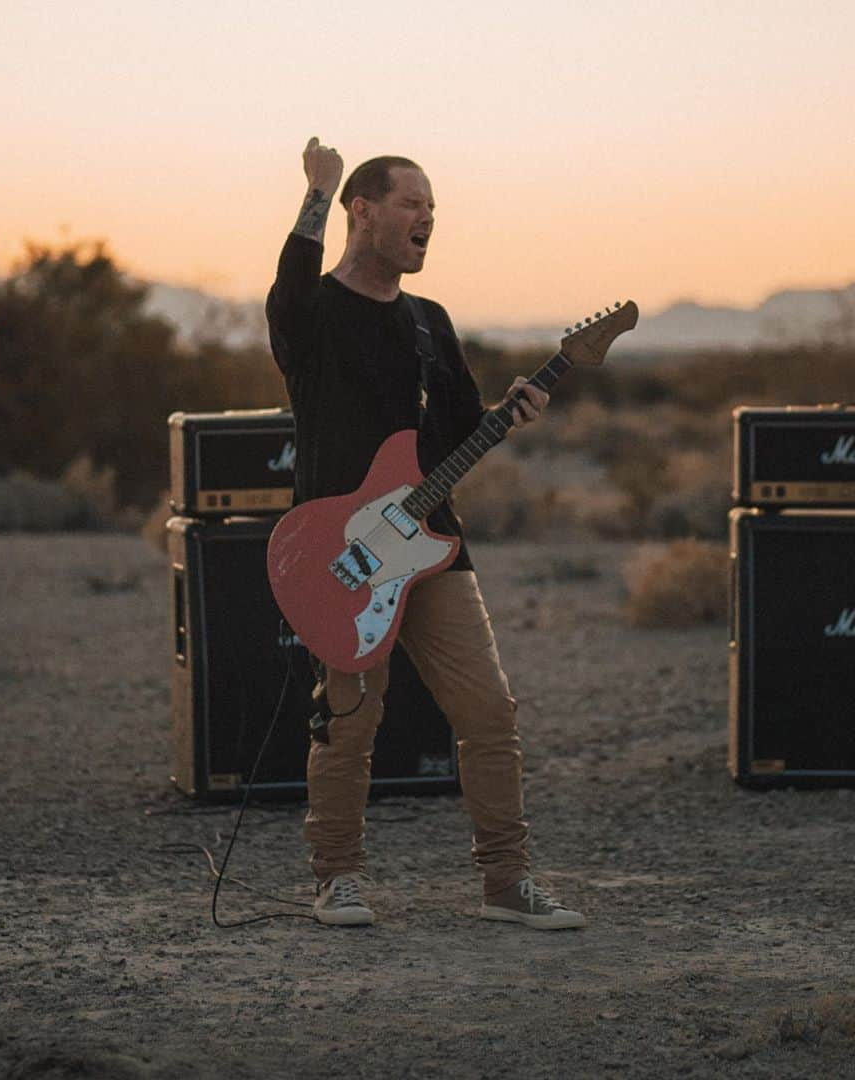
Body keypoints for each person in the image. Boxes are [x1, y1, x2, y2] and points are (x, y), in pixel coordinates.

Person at [265, 137, 585, 931]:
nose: (428, 219)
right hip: (341, 556)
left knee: (489, 714)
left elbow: (449, 440)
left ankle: (506, 883)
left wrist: (508, 416)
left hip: (433, 545)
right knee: (349, 721)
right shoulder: (312, 315)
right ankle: (337, 877)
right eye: (413, 204)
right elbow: (289, 287)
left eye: (434, 208)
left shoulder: (429, 325)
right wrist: (319, 188)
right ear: (362, 213)